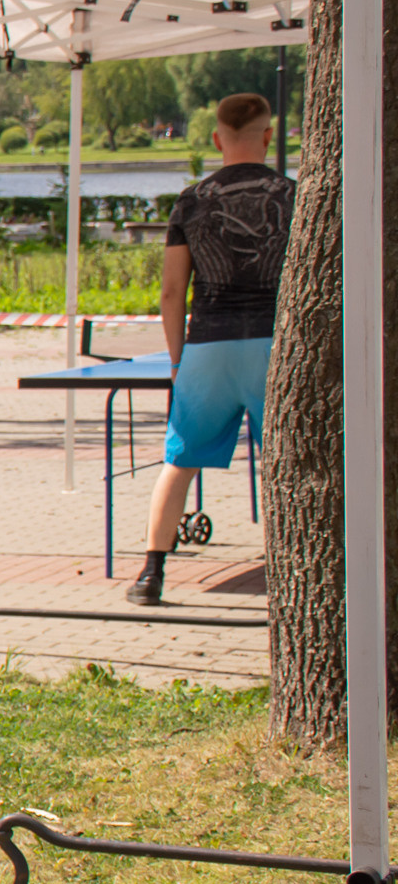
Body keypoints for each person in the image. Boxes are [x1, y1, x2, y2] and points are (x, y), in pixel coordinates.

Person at [127, 91, 297, 606]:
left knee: (179, 460)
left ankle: (150, 575)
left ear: (217, 138)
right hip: (276, 345)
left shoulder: (190, 200)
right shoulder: (297, 195)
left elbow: (171, 292)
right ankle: (295, 571)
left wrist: (179, 359)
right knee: (287, 462)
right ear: (268, 137)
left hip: (208, 343)